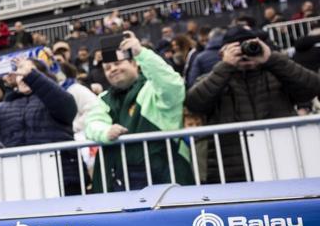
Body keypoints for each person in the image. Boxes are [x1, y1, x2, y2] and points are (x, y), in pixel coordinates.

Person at [185, 27, 320, 182]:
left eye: (249, 47)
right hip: (232, 169)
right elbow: (194, 103)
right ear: (222, 53)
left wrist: (272, 59)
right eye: (237, 49)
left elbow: (313, 87)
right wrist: (225, 66)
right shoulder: (214, 77)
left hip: (281, 161)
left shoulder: (277, 73)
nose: (245, 54)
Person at [83, 32, 194, 191]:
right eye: (107, 68)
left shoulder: (153, 88)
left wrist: (141, 53)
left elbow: (172, 85)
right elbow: (92, 123)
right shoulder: (104, 98)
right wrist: (106, 132)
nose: (112, 69)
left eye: (117, 63)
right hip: (122, 179)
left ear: (135, 64)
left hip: (166, 174)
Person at [0, 57, 82, 193]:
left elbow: (66, 108)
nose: (22, 76)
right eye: (19, 72)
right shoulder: (4, 106)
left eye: (27, 70)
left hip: (62, 178)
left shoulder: (56, 97)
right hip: (19, 181)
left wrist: (32, 76)